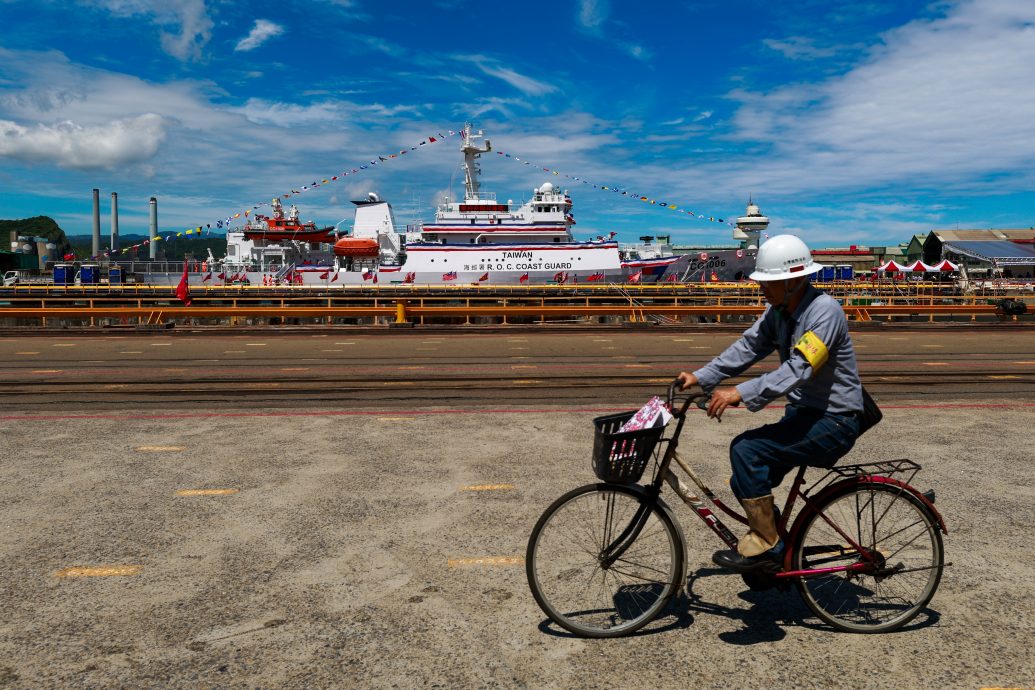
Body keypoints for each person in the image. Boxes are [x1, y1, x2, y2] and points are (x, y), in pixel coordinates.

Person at [677, 234, 864, 574]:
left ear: (794, 280)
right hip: (805, 414)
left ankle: (769, 546)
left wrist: (739, 393)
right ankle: (780, 552)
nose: (762, 288)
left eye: (769, 282)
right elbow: (748, 347)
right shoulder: (778, 311)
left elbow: (800, 367)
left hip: (835, 420)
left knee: (747, 451)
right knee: (745, 479)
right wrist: (703, 377)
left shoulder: (825, 312)